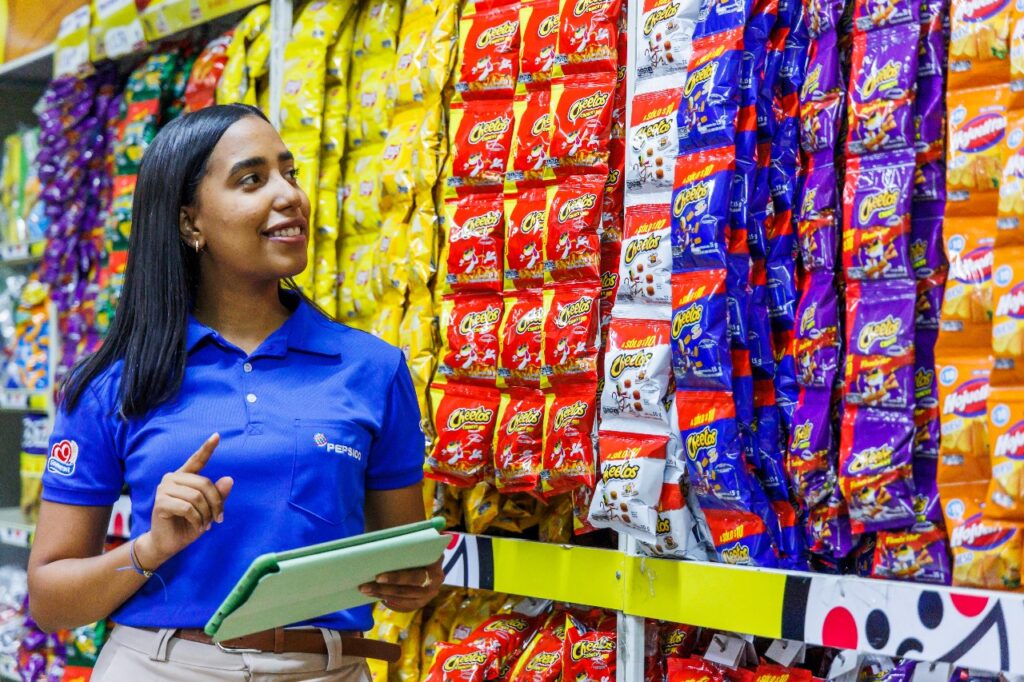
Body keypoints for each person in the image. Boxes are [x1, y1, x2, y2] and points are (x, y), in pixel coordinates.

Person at [27, 104, 442, 681]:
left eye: (289, 173)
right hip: (162, 667)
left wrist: (413, 582)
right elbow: (50, 602)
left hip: (326, 669)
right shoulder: (114, 383)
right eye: (252, 179)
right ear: (189, 222)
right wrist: (152, 547)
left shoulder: (373, 368)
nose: (289, 195)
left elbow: (408, 563)